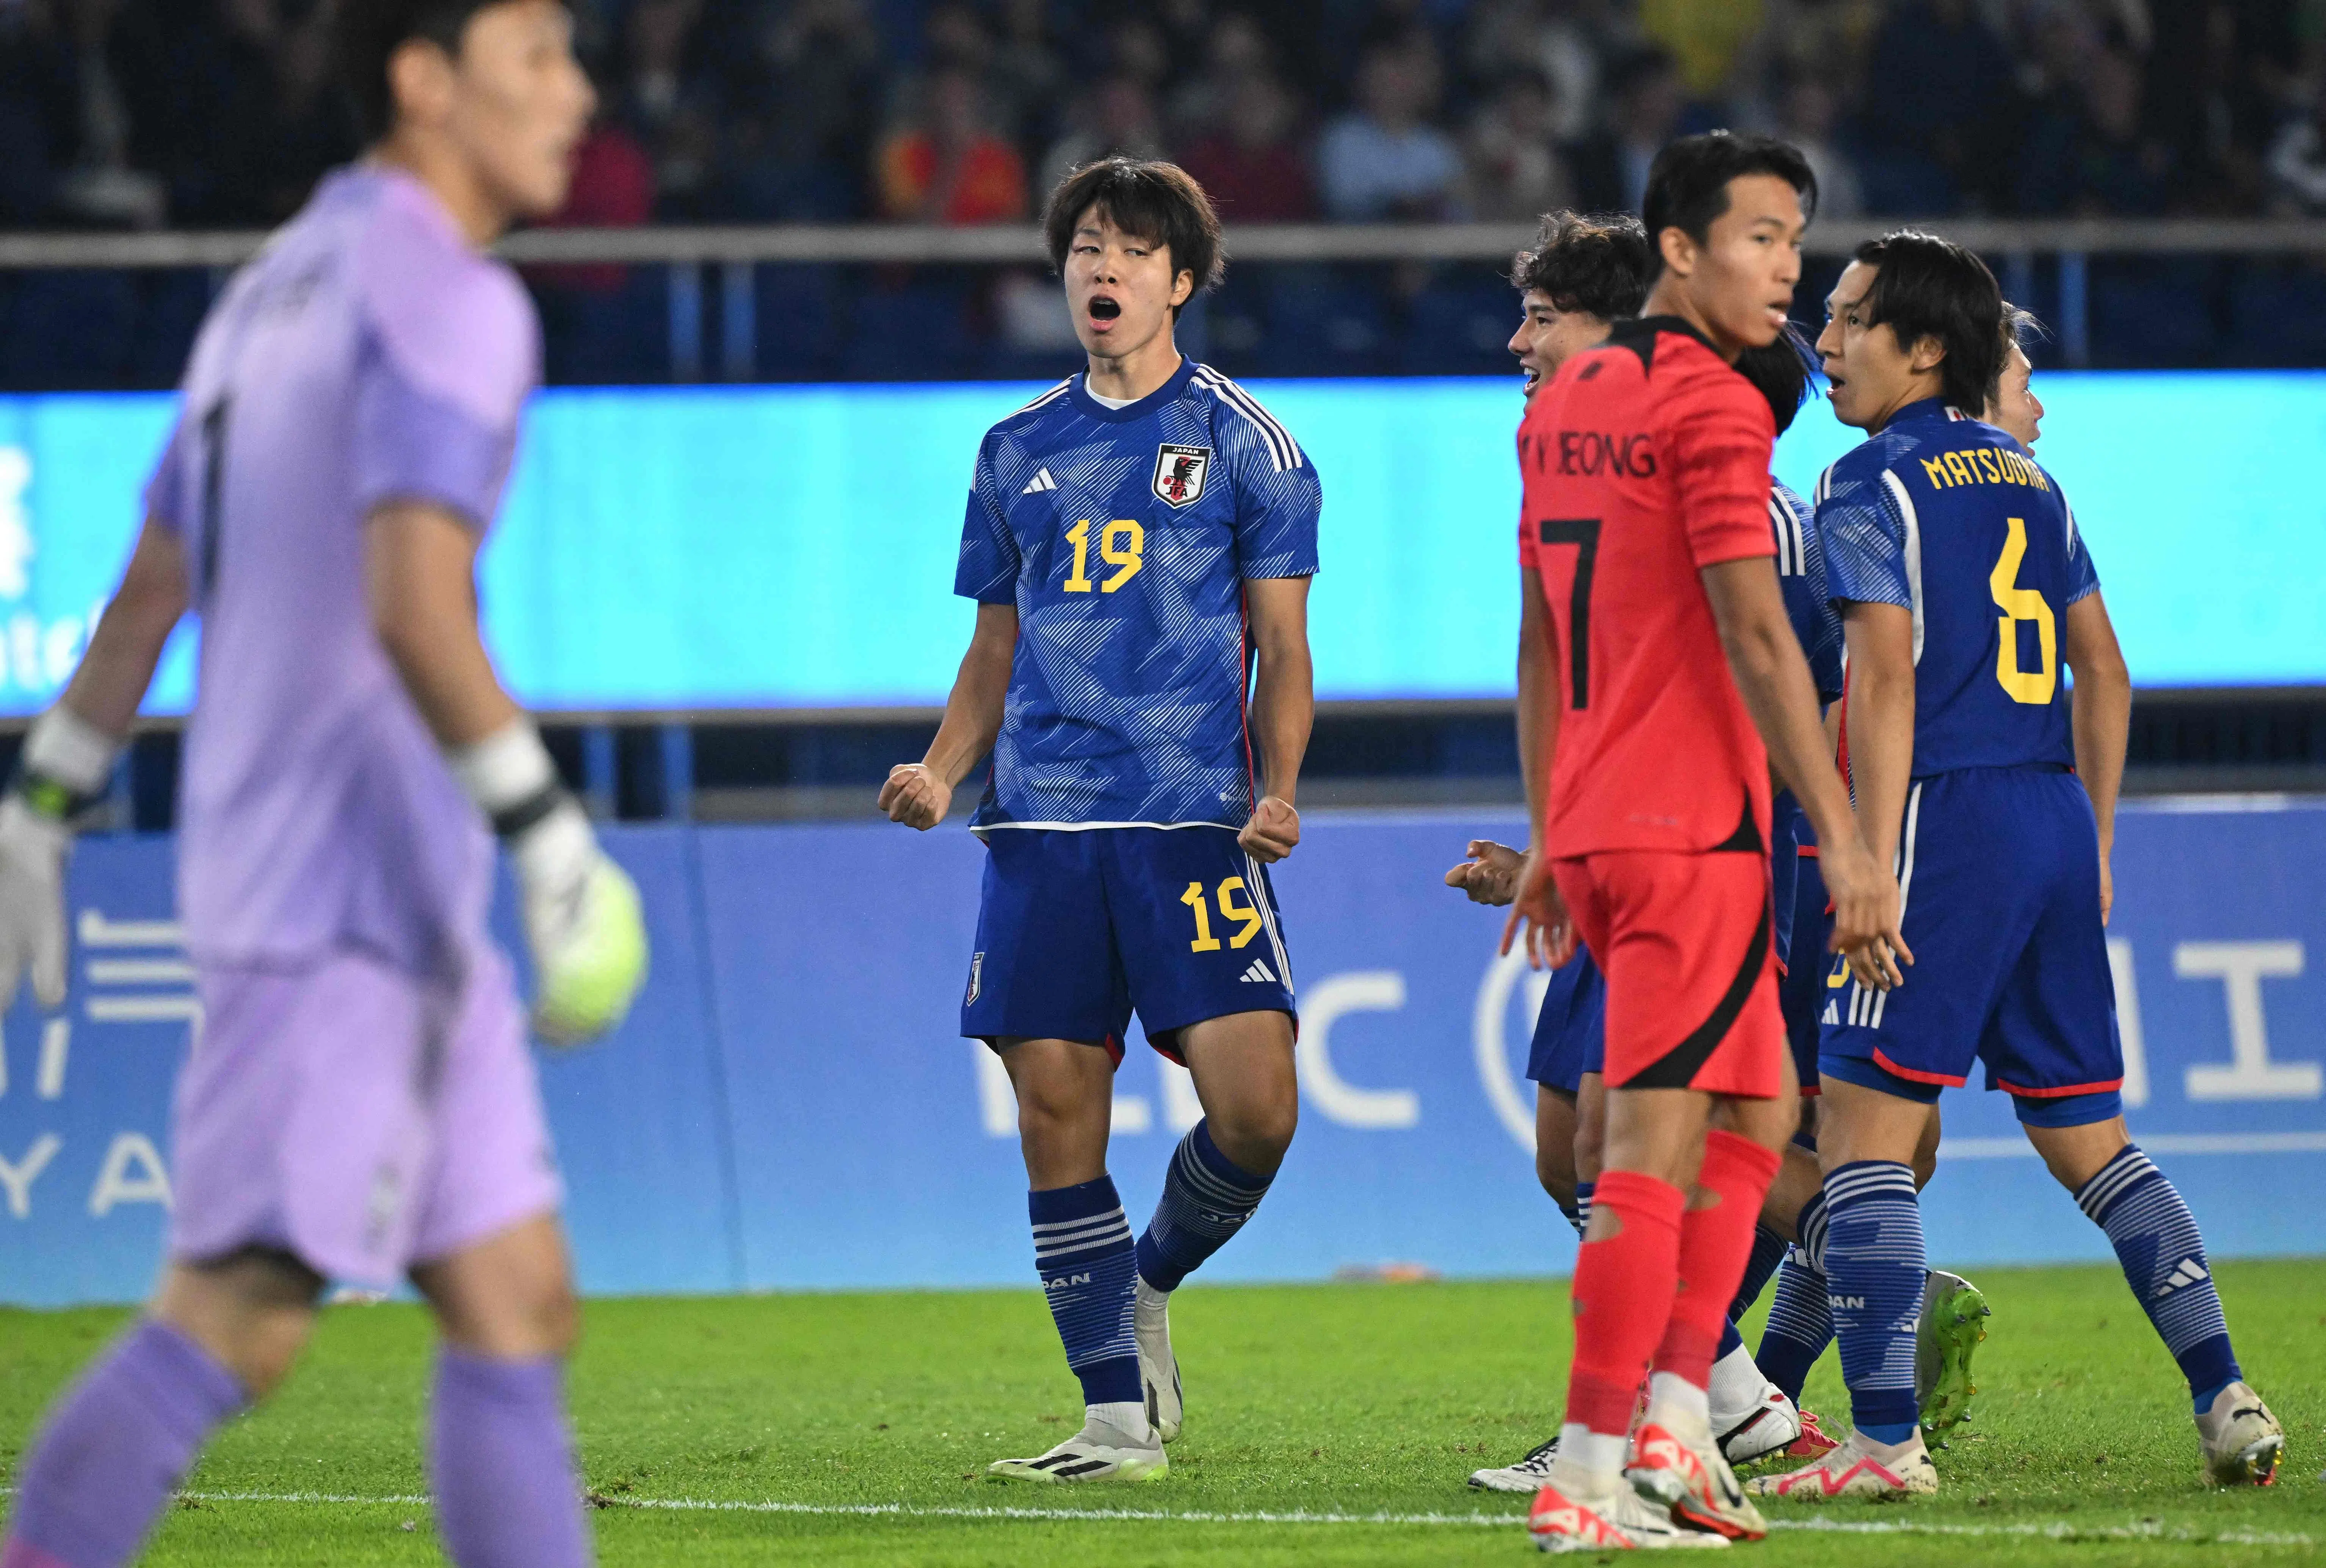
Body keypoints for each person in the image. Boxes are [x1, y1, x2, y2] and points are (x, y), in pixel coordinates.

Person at [0, 0, 647, 1563]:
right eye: (538, 59)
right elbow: (413, 599)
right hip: (334, 905)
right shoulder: (456, 297)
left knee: (517, 1298)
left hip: (386, 901)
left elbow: (159, 570)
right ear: (425, 82)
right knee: (232, 1321)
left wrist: (46, 797)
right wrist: (553, 838)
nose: (578, 95)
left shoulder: (276, 281)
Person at [1749, 231, 2285, 1501]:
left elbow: (1880, 671)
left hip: (1946, 818)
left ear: (1923, 347)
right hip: (2048, 816)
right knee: (2093, 1140)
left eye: (1850, 321)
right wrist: (2091, 839)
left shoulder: (1864, 482)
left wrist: (1867, 852)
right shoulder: (2036, 486)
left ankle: (1885, 1444)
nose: (1824, 345)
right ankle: (2225, 1394)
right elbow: (2107, 669)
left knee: (1862, 1138)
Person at [879, 156, 1319, 1486]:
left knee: (1258, 1115)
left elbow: (1284, 652)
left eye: (1131, 252)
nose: (1102, 271)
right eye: (1084, 250)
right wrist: (946, 768)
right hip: (1043, 831)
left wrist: (1283, 785)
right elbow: (992, 655)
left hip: (1194, 823)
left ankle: (1150, 1282)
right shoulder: (1014, 449)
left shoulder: (1253, 443)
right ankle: (1114, 1423)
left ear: (1182, 282)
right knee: (1058, 1108)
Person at [1502, 131, 1906, 1551]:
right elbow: (1754, 629)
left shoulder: (1558, 409)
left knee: (1758, 1118)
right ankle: (1590, 1472)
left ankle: (1677, 1420)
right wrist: (1849, 842)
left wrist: (1554, 826)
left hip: (1608, 825)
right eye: (1759, 237)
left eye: (1796, 238)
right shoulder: (1721, 410)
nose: (1787, 268)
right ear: (1678, 251)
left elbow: (1543, 640)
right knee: (1650, 1154)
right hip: (1696, 829)